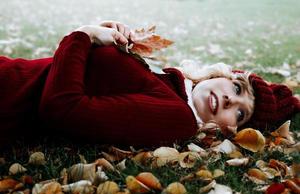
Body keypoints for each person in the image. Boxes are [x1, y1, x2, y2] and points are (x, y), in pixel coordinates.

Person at [0, 22, 299, 147]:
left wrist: (83, 35)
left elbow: (61, 108)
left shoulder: (177, 119)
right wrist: (106, 36)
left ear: (231, 130)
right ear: (221, 75)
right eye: (237, 89)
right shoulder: (170, 83)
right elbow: (61, 72)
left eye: (240, 114)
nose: (230, 101)